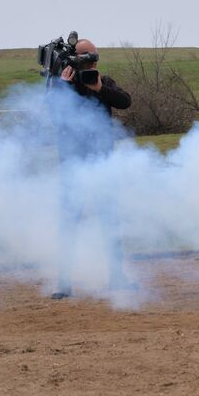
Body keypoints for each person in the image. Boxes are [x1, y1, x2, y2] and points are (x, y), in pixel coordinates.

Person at [48, 37, 134, 298]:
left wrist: (99, 89)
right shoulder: (64, 85)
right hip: (73, 166)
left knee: (110, 221)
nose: (92, 61)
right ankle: (64, 284)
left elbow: (125, 101)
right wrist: (62, 86)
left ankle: (117, 277)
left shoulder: (103, 82)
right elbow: (51, 112)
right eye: (87, 57)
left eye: (94, 56)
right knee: (69, 224)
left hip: (101, 164)